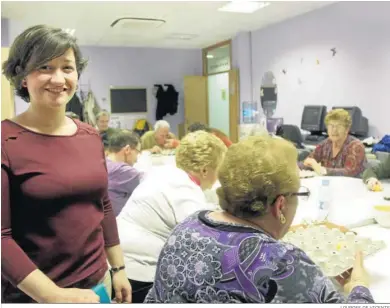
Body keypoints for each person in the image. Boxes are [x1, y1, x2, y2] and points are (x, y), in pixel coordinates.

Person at [145, 136, 373, 303]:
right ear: (280, 205)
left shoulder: (187, 227)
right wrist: (358, 287)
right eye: (298, 194)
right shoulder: (280, 261)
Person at [1, 25, 131, 303]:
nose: (58, 79)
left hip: (99, 284)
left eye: (67, 68)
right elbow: (1, 236)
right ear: (23, 76)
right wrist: (53, 295)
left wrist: (118, 268)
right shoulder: (5, 141)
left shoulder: (90, 135)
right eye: (45, 67)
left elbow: (103, 204)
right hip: (35, 294)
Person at [116, 130, 227, 303]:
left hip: (121, 262)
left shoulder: (164, 173)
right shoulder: (185, 189)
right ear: (205, 170)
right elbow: (203, 239)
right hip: (140, 273)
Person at [300, 109, 366, 177]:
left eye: (339, 126)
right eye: (331, 126)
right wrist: (295, 167)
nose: (334, 130)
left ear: (347, 129)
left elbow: (349, 172)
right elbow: (309, 162)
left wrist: (320, 169)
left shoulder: (356, 146)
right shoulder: (325, 144)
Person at [106, 129, 143, 216]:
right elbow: (153, 186)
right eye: (137, 152)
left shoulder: (104, 163)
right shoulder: (123, 171)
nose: (137, 159)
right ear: (127, 150)